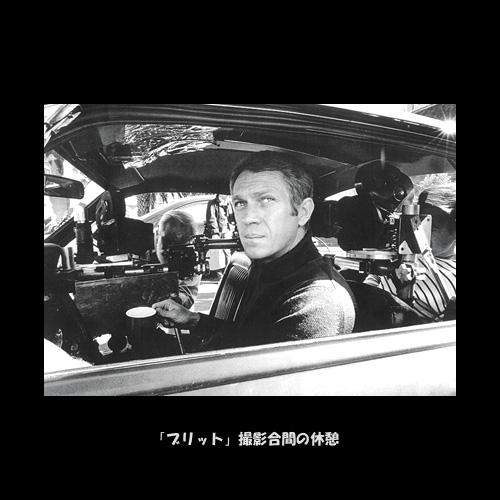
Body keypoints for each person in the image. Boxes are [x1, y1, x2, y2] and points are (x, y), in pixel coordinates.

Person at [153, 151, 357, 352]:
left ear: (303, 212)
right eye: (240, 203)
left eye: (266, 200)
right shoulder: (268, 267)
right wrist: (193, 320)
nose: (248, 217)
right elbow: (251, 339)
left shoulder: (315, 302)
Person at [364, 182, 456, 321]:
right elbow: (366, 292)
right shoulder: (403, 256)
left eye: (432, 227)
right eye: (417, 224)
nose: (420, 233)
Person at [156, 210, 201, 309]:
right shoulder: (140, 252)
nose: (169, 248)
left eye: (178, 244)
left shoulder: (191, 260)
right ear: (157, 233)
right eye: (167, 240)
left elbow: (187, 295)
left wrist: (178, 299)